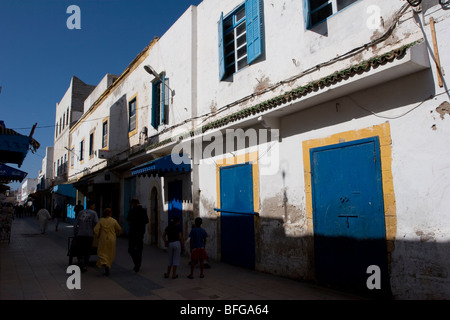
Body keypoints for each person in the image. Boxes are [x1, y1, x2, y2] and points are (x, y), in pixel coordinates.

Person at [93, 208, 122, 276]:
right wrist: (117, 234)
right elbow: (119, 229)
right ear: (110, 213)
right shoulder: (113, 221)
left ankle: (104, 262)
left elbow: (95, 230)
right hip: (112, 239)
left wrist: (97, 236)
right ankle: (108, 265)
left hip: (103, 239)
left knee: (101, 251)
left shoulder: (101, 221)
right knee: (110, 252)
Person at [73, 200, 98, 272]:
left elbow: (76, 224)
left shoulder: (80, 212)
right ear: (91, 206)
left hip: (80, 234)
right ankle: (84, 262)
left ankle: (81, 260)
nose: (94, 207)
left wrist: (75, 233)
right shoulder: (94, 213)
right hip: (89, 235)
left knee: (80, 248)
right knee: (87, 249)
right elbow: (96, 223)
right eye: (94, 205)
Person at [127, 198, 149, 272]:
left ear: (133, 203)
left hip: (133, 232)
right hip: (141, 232)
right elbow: (146, 221)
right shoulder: (143, 211)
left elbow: (128, 221)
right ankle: (138, 263)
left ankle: (136, 263)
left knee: (131, 249)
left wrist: (133, 223)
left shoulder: (132, 211)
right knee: (139, 249)